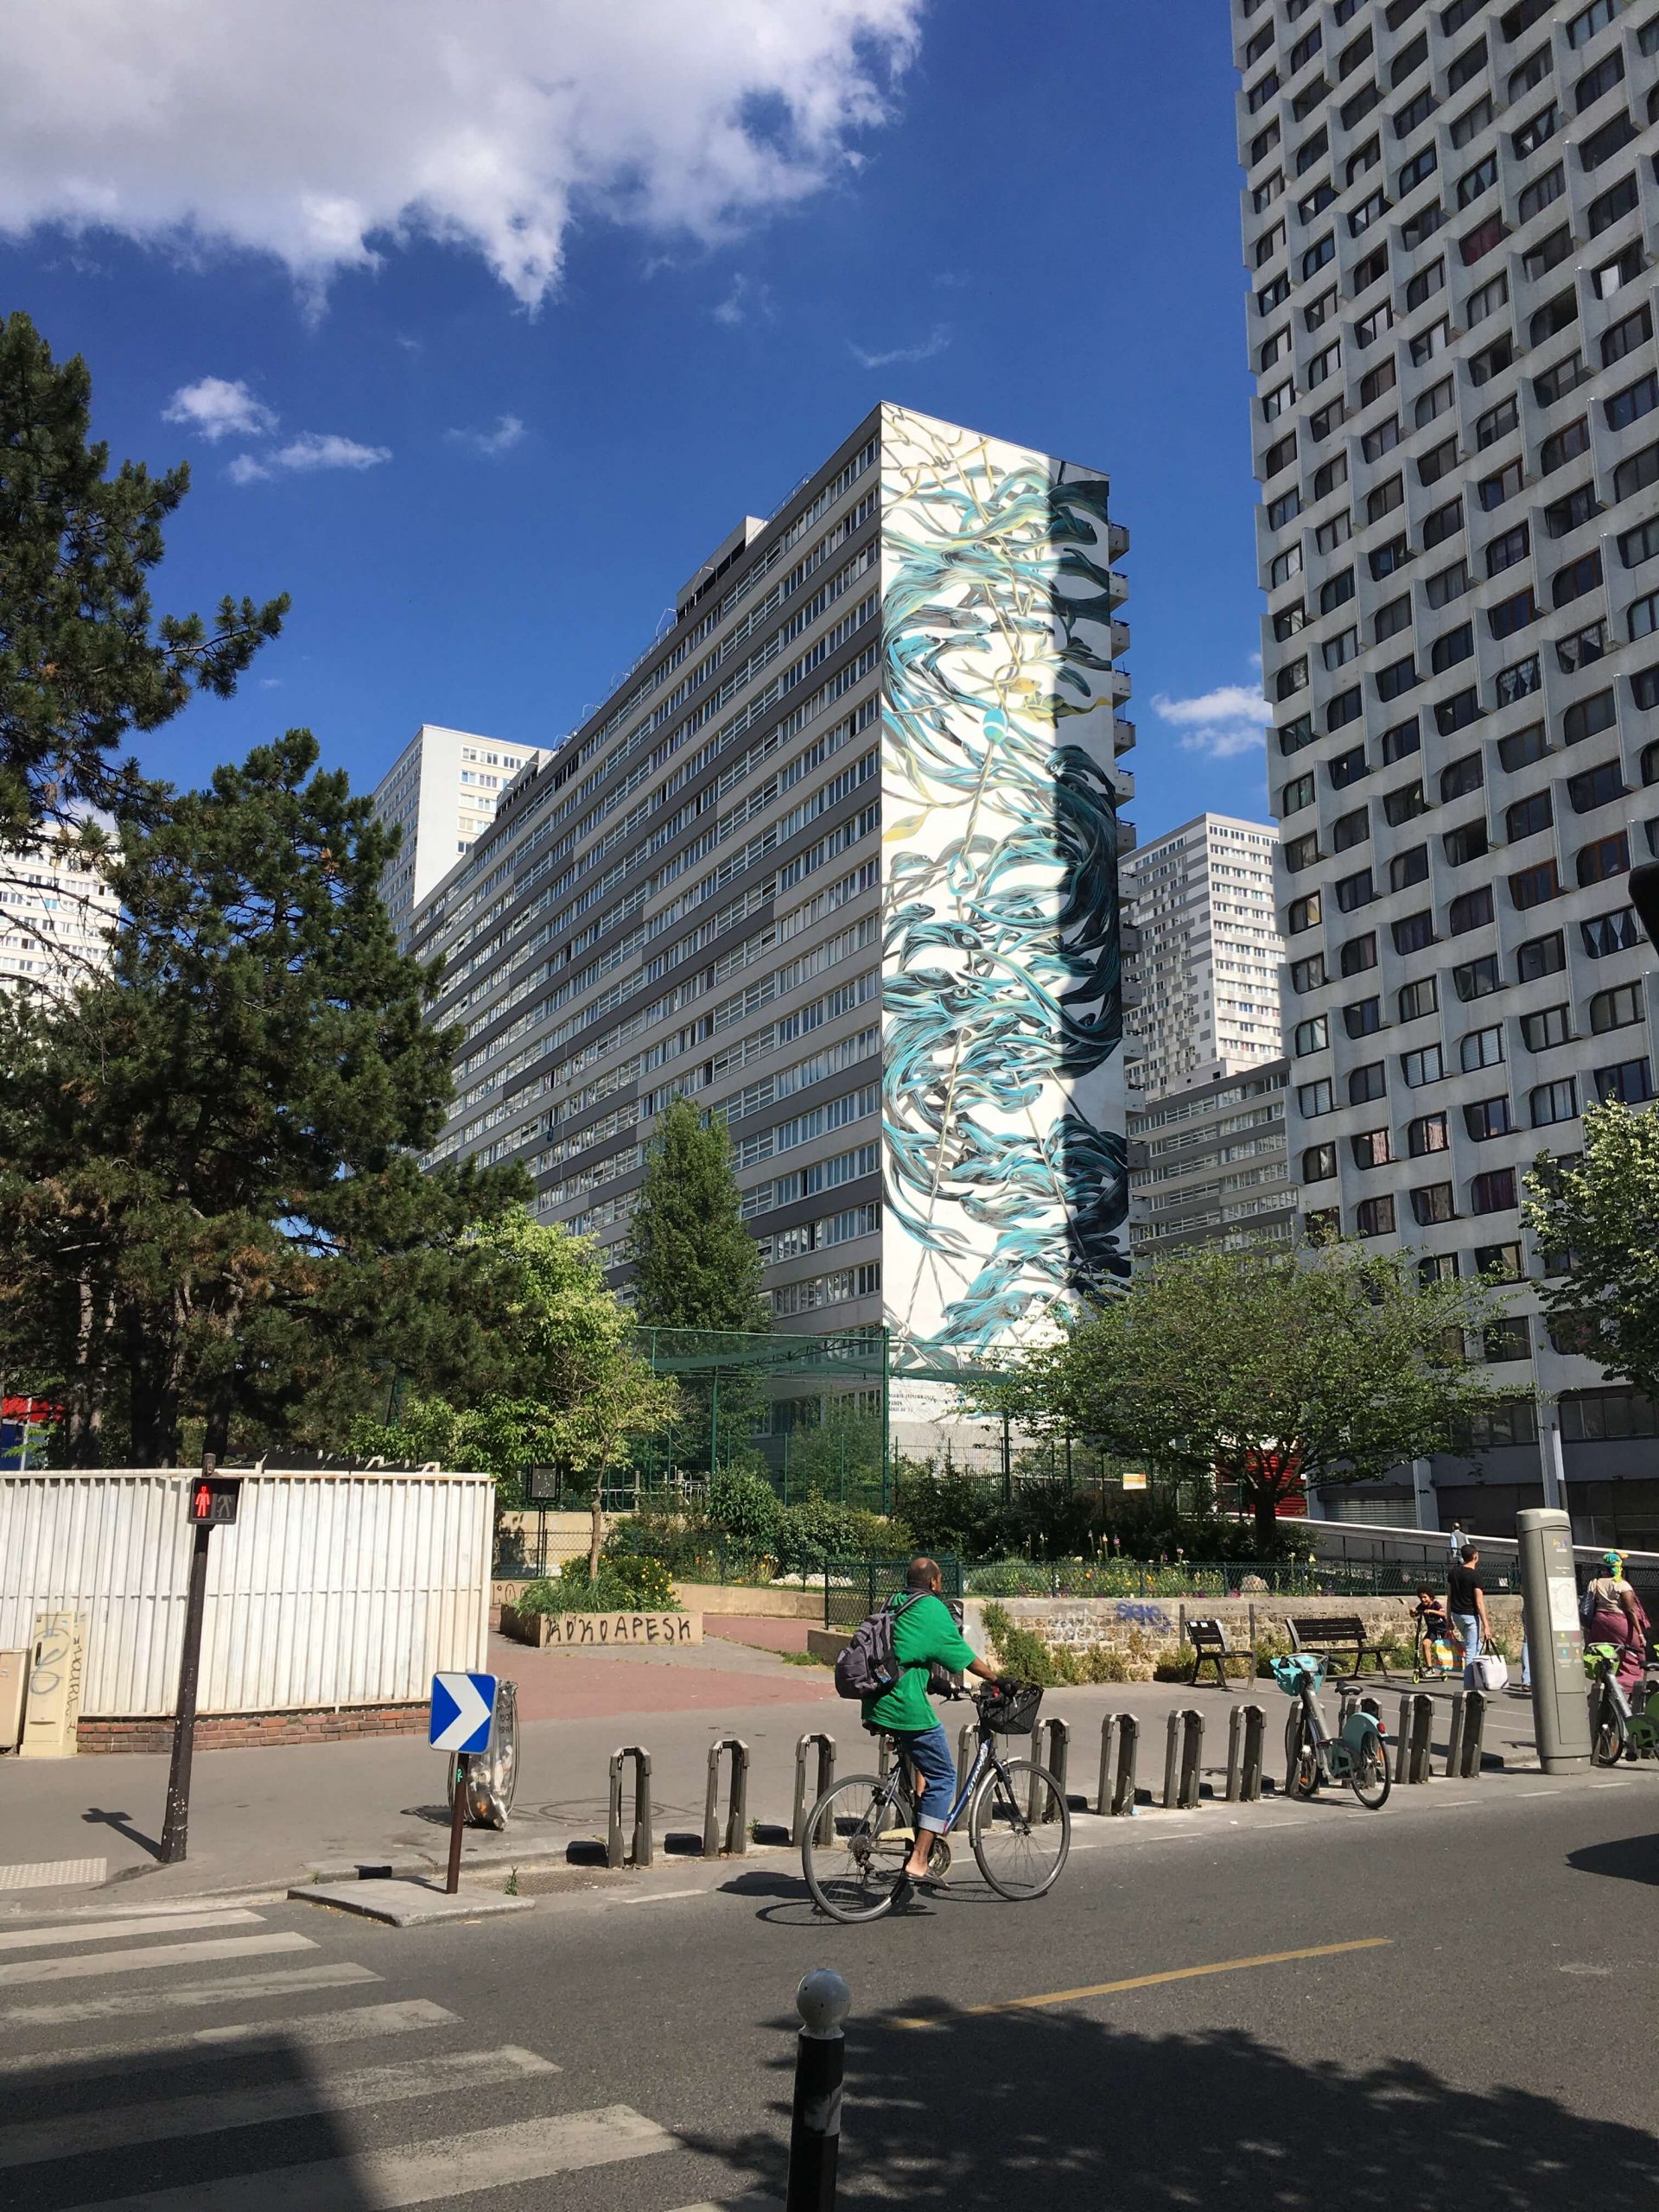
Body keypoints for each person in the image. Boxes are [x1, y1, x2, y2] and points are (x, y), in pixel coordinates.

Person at [861, 1555, 1001, 1906]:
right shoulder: (933, 1609)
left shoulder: (895, 1602)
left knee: (923, 1772)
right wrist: (1000, 1679)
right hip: (905, 1706)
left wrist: (937, 1682)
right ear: (935, 1583)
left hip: (876, 1700)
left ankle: (919, 1834)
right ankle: (920, 1859)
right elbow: (963, 1657)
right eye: (940, 1581)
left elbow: (907, 1653)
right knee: (944, 1776)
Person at [1582, 1550, 1651, 1694]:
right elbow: (1630, 1610)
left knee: (1603, 1654)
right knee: (1636, 1654)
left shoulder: (1595, 1583)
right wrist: (1640, 1634)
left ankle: (1601, 1686)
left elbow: (1587, 1606)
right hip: (1619, 1623)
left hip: (1599, 1623)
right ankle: (1632, 1688)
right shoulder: (1622, 1585)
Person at [1446, 1545, 1491, 1688]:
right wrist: (1486, 1625)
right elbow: (1479, 1603)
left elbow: (1449, 1597)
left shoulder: (1453, 1573)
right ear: (1475, 1556)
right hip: (1470, 1617)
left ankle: (1475, 1679)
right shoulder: (1475, 1576)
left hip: (1456, 1614)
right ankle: (1469, 1687)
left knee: (1475, 1646)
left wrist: (1448, 1618)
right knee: (1471, 1652)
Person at [1412, 1586, 1453, 1676]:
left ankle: (1444, 1666)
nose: (1423, 1599)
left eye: (1425, 1597)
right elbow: (1415, 1614)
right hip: (1432, 1631)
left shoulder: (1436, 1604)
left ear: (1430, 1597)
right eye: (1421, 1598)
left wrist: (1432, 1611)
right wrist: (1412, 1612)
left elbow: (1443, 1614)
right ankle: (1430, 1668)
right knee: (1425, 1644)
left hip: (1443, 1631)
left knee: (1442, 1650)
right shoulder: (1422, 1606)